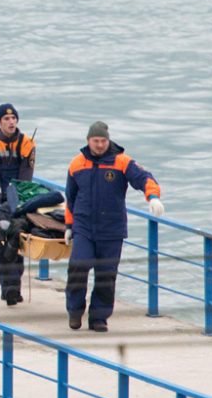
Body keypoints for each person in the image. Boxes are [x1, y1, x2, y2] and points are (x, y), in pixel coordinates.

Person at [64, 121, 165, 332]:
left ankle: (98, 318)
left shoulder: (122, 162)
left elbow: (144, 178)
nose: (99, 145)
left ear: (108, 141)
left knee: (106, 275)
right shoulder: (76, 164)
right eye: (95, 141)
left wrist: (153, 197)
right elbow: (70, 198)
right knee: (78, 266)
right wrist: (68, 225)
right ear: (88, 141)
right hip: (83, 226)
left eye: (103, 141)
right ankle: (75, 310)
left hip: (112, 228)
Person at [0, 103, 36, 306]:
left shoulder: (27, 144)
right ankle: (8, 289)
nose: (11, 122)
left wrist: (15, 203)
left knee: (17, 239)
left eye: (13, 119)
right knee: (0, 242)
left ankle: (14, 287)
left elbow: (25, 177)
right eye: (6, 119)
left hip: (19, 199)